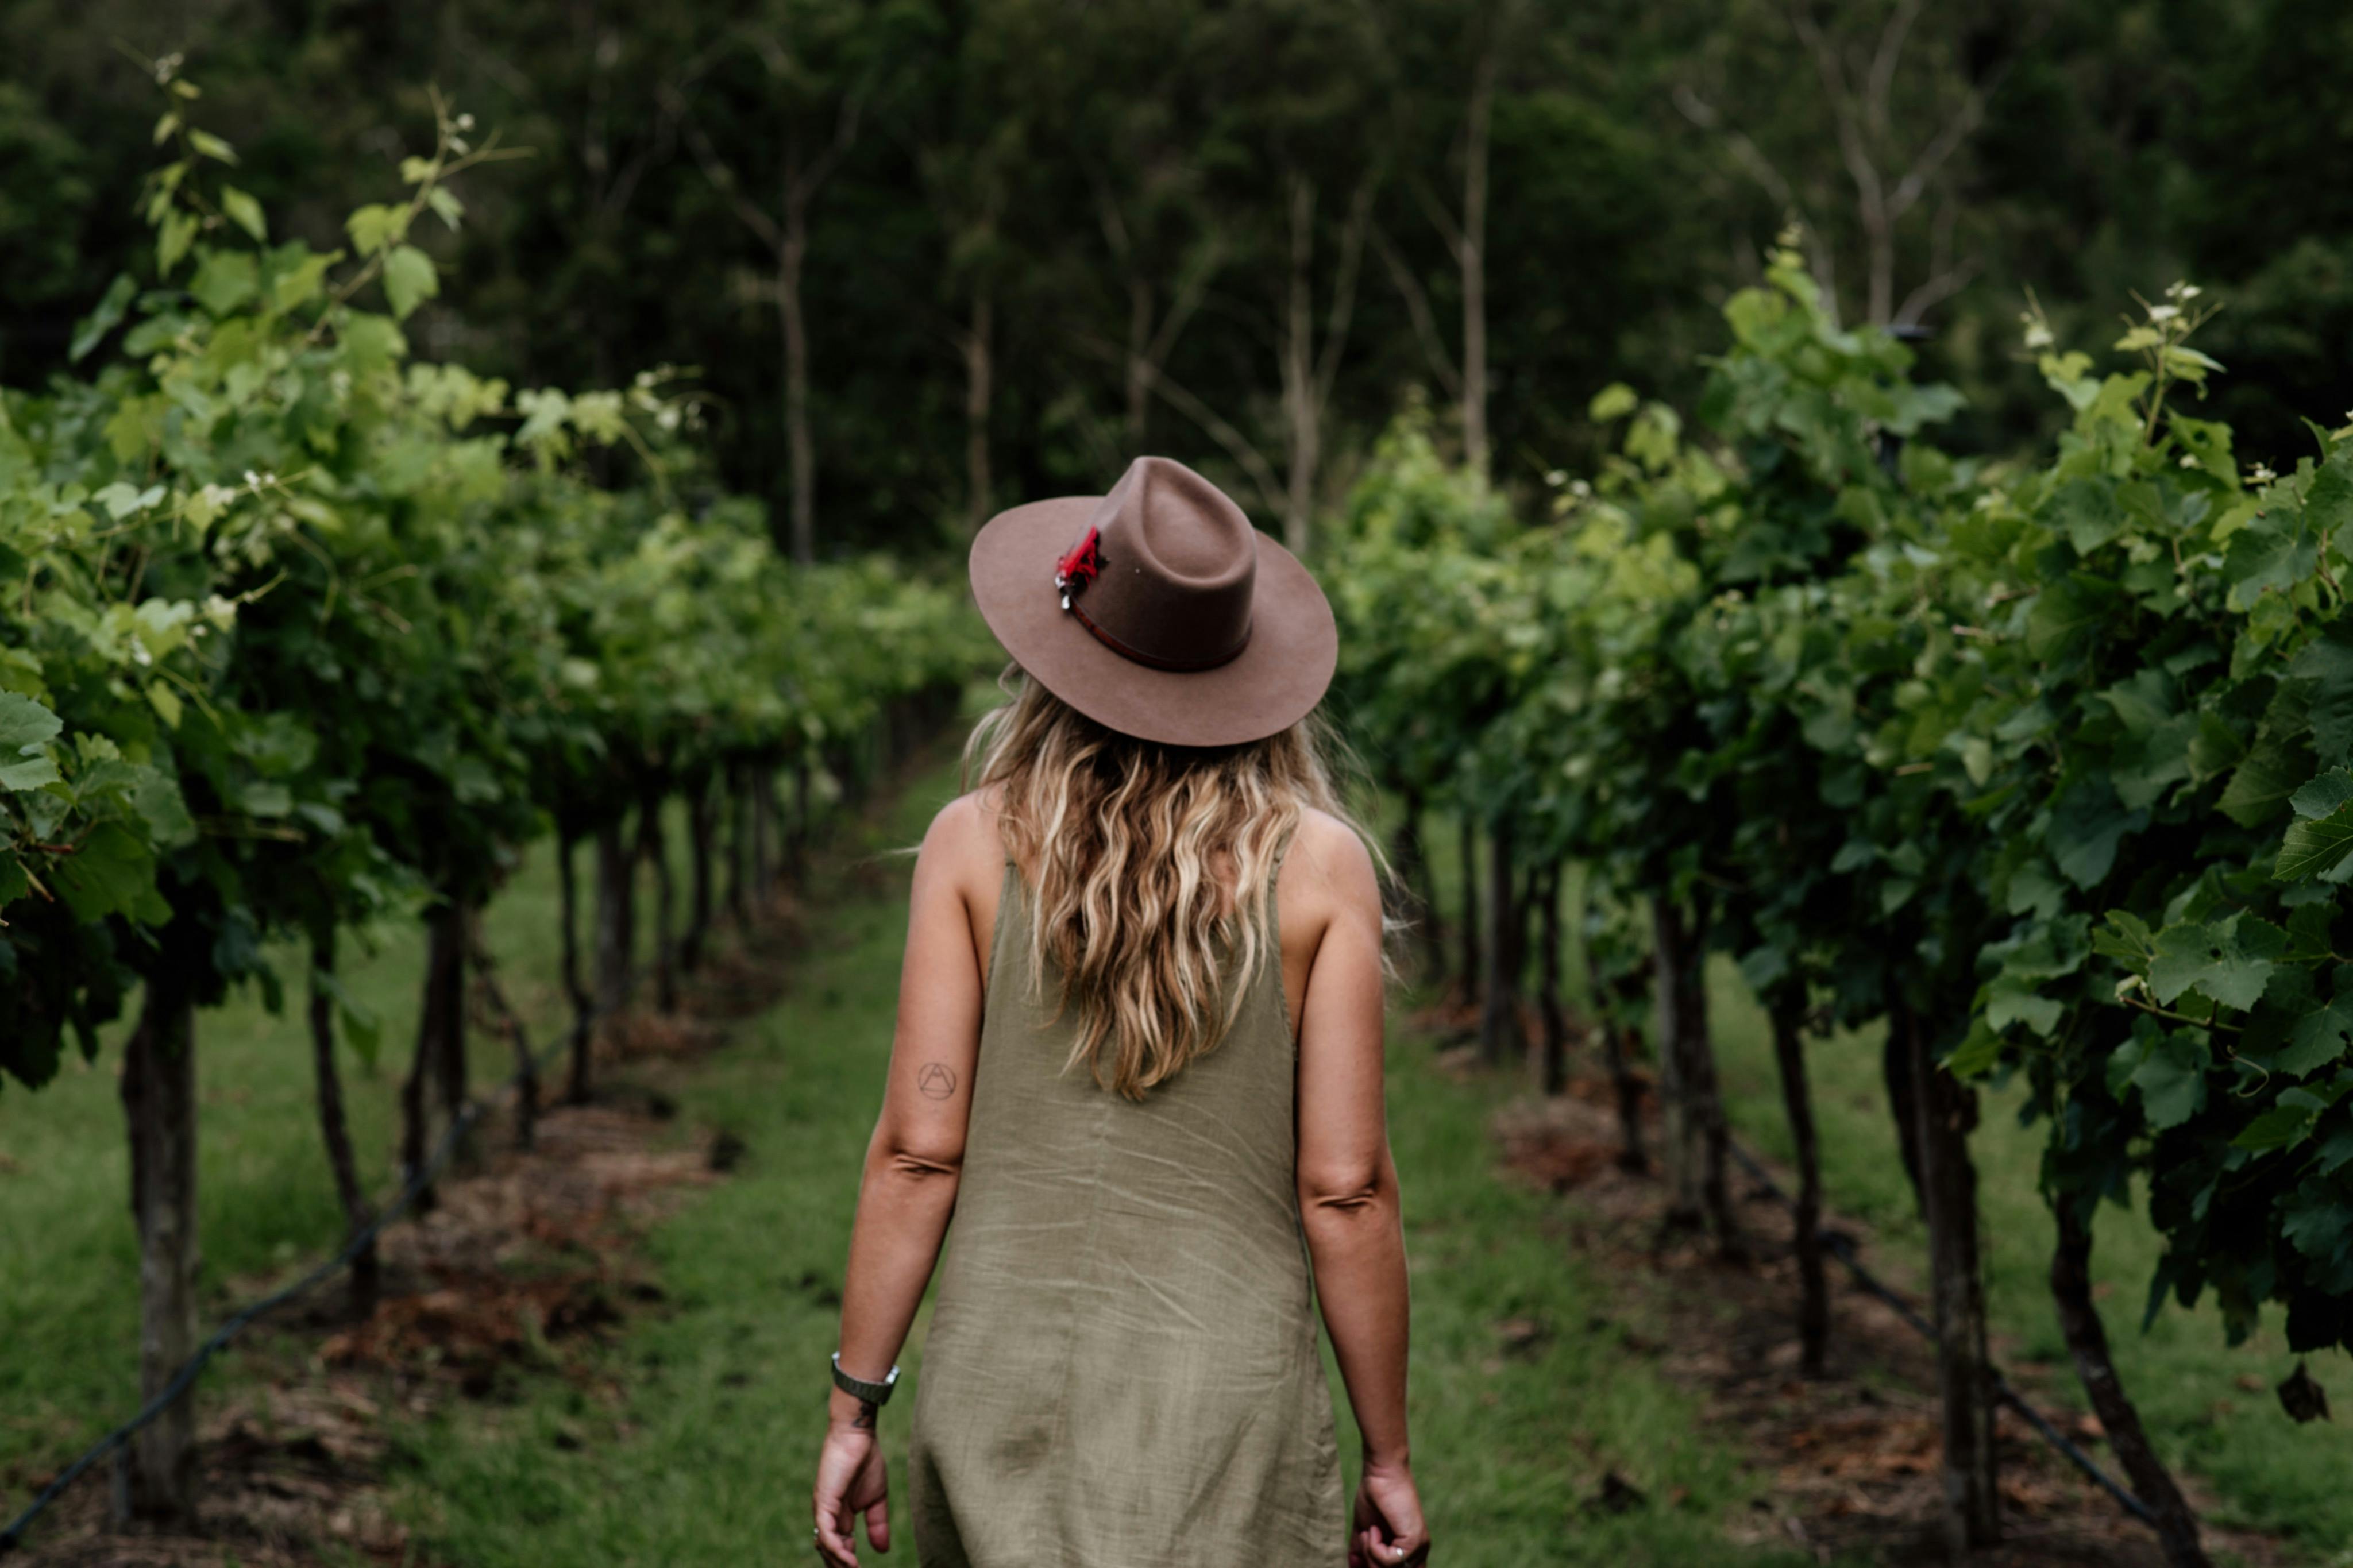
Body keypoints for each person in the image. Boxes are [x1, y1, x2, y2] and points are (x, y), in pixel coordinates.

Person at [808, 456, 1428, 1568]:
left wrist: (856, 1407)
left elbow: (915, 1154)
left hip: (1000, 1388)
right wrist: (1386, 1458)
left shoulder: (970, 843)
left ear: (1056, 657)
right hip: (1223, 1411)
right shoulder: (1318, 869)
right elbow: (1344, 1192)